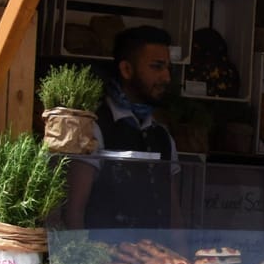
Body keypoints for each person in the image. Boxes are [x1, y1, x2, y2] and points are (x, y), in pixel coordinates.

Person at [63, 26, 179, 230]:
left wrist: (183, 258)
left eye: (168, 68)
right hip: (104, 258)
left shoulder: (163, 137)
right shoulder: (93, 129)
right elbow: (73, 212)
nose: (166, 77)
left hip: (158, 259)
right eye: (157, 67)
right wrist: (79, 260)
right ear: (126, 70)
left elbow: (174, 214)